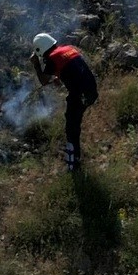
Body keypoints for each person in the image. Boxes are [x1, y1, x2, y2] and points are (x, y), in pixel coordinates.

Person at [30, 32, 98, 172]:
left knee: (71, 129)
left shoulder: (51, 58)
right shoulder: (67, 49)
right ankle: (76, 158)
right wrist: (61, 77)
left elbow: (43, 81)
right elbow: (73, 68)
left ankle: (73, 167)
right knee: (74, 123)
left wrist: (36, 65)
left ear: (40, 50)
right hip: (92, 91)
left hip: (80, 95)